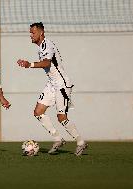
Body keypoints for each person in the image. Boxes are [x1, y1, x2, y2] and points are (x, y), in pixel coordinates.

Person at [17, 22, 88, 156]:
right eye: (30, 32)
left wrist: (29, 64)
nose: (31, 35)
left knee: (61, 117)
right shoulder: (41, 47)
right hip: (52, 83)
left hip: (62, 84)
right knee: (38, 112)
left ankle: (80, 142)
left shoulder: (47, 45)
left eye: (33, 32)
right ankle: (57, 139)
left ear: (41, 33)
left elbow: (46, 63)